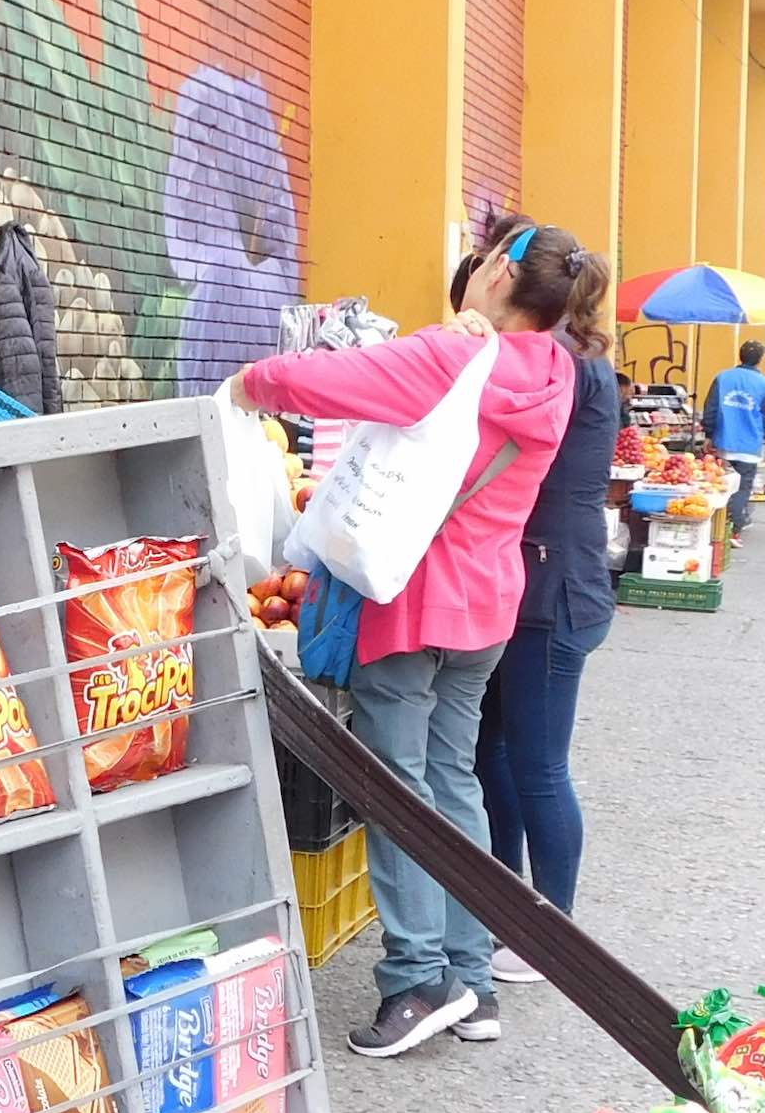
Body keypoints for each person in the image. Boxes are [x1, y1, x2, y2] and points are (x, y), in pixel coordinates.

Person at [229, 218, 591, 1056]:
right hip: (486, 608)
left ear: (500, 270)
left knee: (398, 796)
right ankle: (471, 975)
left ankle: (417, 978)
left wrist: (245, 384)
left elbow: (318, 379)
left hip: (410, 601)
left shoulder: (455, 356)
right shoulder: (556, 372)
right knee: (453, 781)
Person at [476, 262, 622, 983]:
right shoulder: (575, 354)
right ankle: (508, 902)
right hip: (538, 577)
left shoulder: (565, 363)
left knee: (535, 763)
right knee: (492, 752)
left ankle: (551, 930)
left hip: (554, 586)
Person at [705, 336, 765, 537]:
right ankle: (734, 529)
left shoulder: (723, 377)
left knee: (721, 484)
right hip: (749, 445)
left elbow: (710, 408)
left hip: (724, 441)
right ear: (759, 360)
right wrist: (760, 436)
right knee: (742, 488)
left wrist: (709, 434)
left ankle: (716, 527)